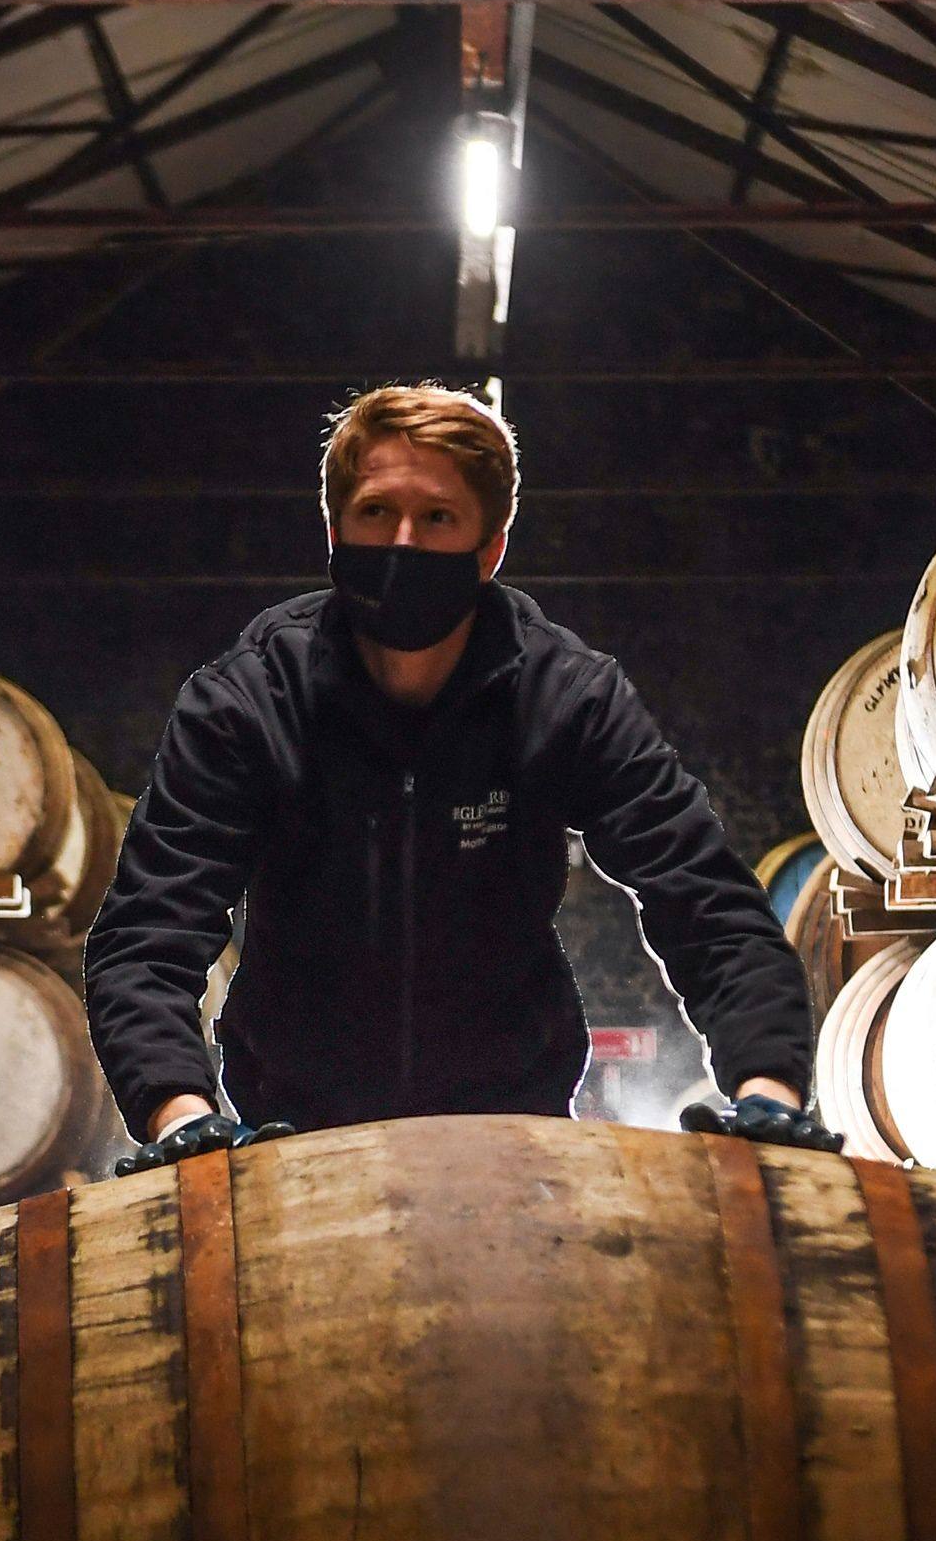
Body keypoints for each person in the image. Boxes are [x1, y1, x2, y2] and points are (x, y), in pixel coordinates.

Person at [84, 382, 842, 1171]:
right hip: (293, 1140)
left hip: (513, 1132)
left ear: (491, 548)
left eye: (437, 517)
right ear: (334, 527)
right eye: (378, 512)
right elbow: (149, 933)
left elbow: (704, 900)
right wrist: (182, 1114)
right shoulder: (249, 700)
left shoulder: (563, 695)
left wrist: (767, 1092)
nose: (404, 543)